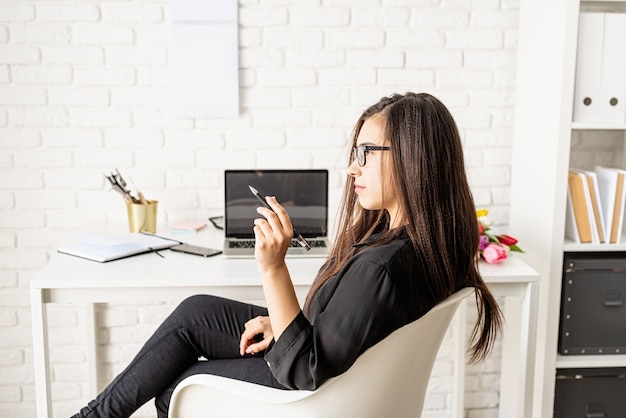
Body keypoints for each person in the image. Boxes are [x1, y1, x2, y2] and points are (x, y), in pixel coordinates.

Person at [72, 92, 502, 418]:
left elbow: (303, 367)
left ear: (413, 159)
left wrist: (272, 266)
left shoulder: (382, 265)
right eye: (356, 154)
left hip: (311, 387)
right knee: (195, 313)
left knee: (176, 386)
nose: (353, 168)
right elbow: (353, 322)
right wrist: (280, 321)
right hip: (327, 360)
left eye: (366, 154)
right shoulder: (422, 245)